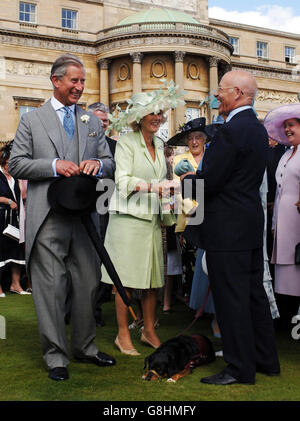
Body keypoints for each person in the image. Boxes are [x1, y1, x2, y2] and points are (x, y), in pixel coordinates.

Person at [9, 53, 116, 381]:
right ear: (56, 81)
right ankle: (56, 356)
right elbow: (17, 164)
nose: (80, 87)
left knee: (87, 285)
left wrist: (99, 165)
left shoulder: (92, 120)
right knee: (51, 288)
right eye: (74, 81)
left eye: (83, 81)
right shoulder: (31, 120)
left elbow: (109, 162)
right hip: (48, 217)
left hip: (85, 219)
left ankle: (86, 348)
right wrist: (54, 165)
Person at [182, 69, 280, 385]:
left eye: (221, 90)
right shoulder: (256, 128)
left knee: (231, 300)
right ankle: (267, 360)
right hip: (250, 226)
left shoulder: (231, 130)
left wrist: (185, 184)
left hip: (227, 230)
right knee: (253, 297)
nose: (217, 95)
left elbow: (211, 181)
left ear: (237, 92)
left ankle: (239, 368)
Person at [101, 81, 183, 355]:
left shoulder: (160, 144)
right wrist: (156, 187)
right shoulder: (125, 142)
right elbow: (122, 182)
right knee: (122, 280)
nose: (157, 117)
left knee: (152, 281)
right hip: (126, 221)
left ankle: (149, 331)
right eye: (152, 113)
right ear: (139, 118)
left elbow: (163, 181)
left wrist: (170, 201)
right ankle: (123, 334)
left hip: (151, 221)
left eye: (160, 112)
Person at [264, 103, 300, 324]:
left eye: (292, 125)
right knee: (288, 269)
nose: (288, 129)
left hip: (298, 218)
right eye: (285, 126)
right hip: (283, 218)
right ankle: (290, 314)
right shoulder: (287, 154)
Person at [0, 141, 28, 296]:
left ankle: (15, 285)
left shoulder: (15, 176)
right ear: (4, 162)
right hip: (1, 217)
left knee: (16, 251)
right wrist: (7, 201)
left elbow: (22, 195)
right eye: (10, 162)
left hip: (15, 219)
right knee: (1, 252)